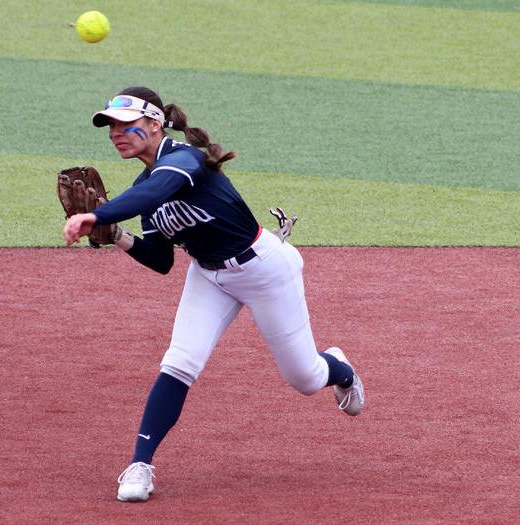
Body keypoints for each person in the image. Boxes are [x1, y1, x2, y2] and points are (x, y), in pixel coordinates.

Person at [63, 86, 365, 502]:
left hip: (264, 269)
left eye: (125, 124)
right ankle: (140, 463)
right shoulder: (144, 187)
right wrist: (116, 234)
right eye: (110, 127)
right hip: (207, 276)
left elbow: (152, 193)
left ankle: (341, 370)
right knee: (179, 362)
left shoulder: (184, 160)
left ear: (154, 124)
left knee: (305, 377)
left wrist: (98, 214)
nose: (116, 133)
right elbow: (161, 259)